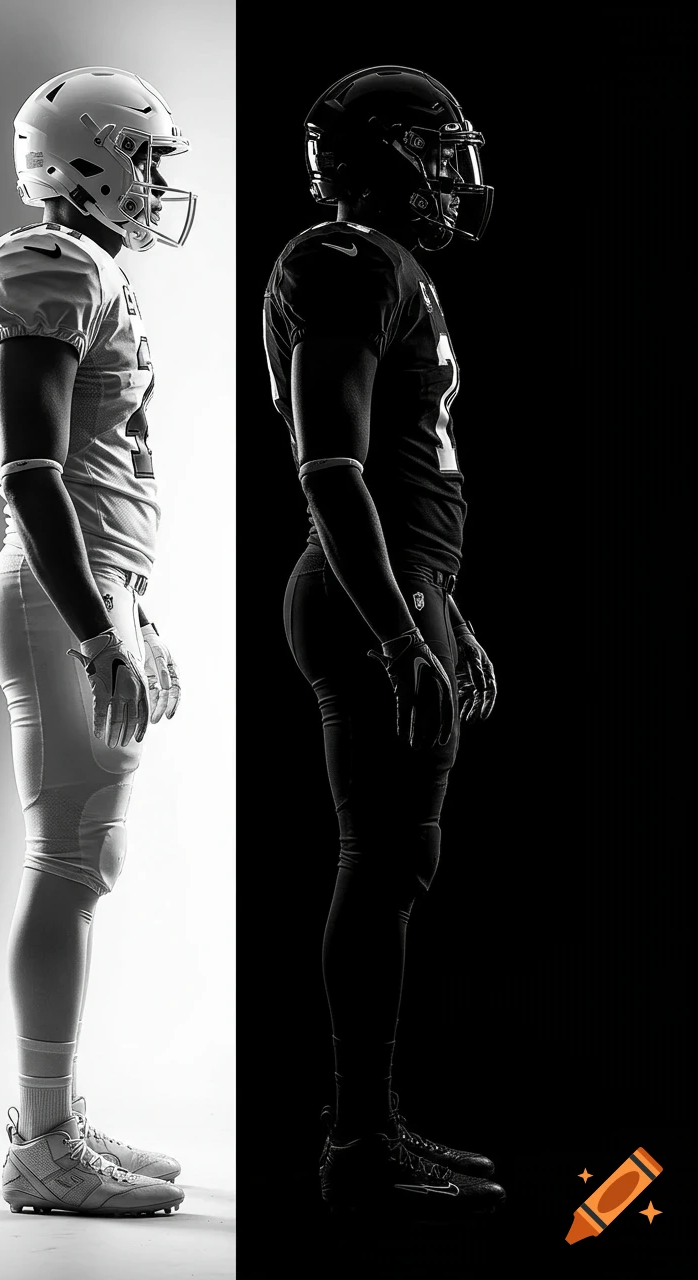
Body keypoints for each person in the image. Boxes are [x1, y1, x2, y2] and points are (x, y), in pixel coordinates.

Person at [263, 65, 505, 1216]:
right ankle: (358, 1136)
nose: (456, 174)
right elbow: (331, 467)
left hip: (405, 590)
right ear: (394, 154)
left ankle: (370, 1122)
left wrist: (441, 611)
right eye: (439, 148)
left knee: (397, 862)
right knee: (382, 859)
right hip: (372, 597)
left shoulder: (378, 265)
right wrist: (403, 628)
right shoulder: (345, 258)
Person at [0, 67, 194, 1218]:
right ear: (91, 159)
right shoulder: (46, 263)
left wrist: (131, 610)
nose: (158, 187)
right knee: (67, 866)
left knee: (81, 865)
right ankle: (42, 1142)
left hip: (89, 592)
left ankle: (52, 1118)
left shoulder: (85, 267)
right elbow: (31, 470)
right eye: (147, 161)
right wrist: (103, 624)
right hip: (63, 596)